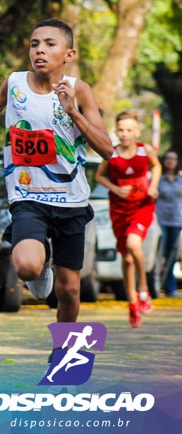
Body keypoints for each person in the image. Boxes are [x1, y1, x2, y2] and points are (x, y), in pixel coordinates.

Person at [0, 18, 112, 324]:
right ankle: (41, 263)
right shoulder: (15, 83)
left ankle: (61, 354)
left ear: (69, 55)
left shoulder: (80, 91)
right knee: (28, 268)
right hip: (28, 196)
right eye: (34, 44)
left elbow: (107, 149)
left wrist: (73, 111)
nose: (39, 51)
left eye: (49, 44)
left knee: (69, 290)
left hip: (71, 201)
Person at [95, 111, 162, 326]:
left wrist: (152, 186)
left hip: (141, 206)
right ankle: (132, 300)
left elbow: (157, 166)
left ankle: (144, 289)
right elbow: (99, 176)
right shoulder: (111, 154)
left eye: (129, 130)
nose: (124, 134)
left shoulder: (145, 150)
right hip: (119, 208)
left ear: (137, 132)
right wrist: (116, 188)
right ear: (116, 131)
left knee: (134, 244)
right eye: (121, 130)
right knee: (127, 256)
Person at [155, 150, 181, 297]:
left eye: (174, 158)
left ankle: (170, 288)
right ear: (164, 161)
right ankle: (156, 286)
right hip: (160, 221)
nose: (170, 161)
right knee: (160, 254)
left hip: (176, 221)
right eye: (168, 158)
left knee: (172, 256)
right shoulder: (158, 178)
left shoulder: (180, 179)